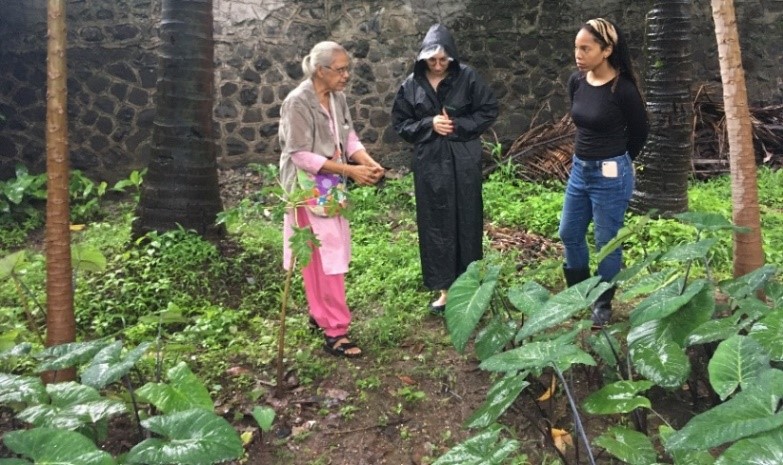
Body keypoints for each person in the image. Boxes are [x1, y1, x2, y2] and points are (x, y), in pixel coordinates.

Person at [278, 41, 384, 357]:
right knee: (322, 259)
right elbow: (299, 154)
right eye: (340, 69)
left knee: (329, 253)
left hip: (328, 182)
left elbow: (348, 136)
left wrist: (367, 161)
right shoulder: (297, 103)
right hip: (305, 188)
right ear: (320, 70)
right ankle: (335, 330)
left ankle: (321, 314)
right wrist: (351, 171)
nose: (346, 75)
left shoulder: (336, 98)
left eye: (347, 68)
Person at [392, 24, 498, 314]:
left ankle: (470, 288)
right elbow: (401, 124)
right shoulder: (410, 86)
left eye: (443, 60)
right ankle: (445, 290)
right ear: (422, 58)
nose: (438, 66)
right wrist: (429, 124)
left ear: (452, 57)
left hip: (463, 159)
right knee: (435, 223)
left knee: (467, 218)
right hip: (430, 163)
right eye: (432, 60)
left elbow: (488, 109)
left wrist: (457, 126)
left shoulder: (468, 77)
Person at [559, 18, 648, 327]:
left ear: (607, 50)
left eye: (586, 48)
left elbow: (640, 131)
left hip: (611, 174)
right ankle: (579, 293)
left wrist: (620, 163)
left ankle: (602, 302)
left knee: (606, 240)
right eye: (576, 48)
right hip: (579, 171)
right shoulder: (577, 81)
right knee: (569, 232)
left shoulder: (622, 89)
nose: (578, 54)